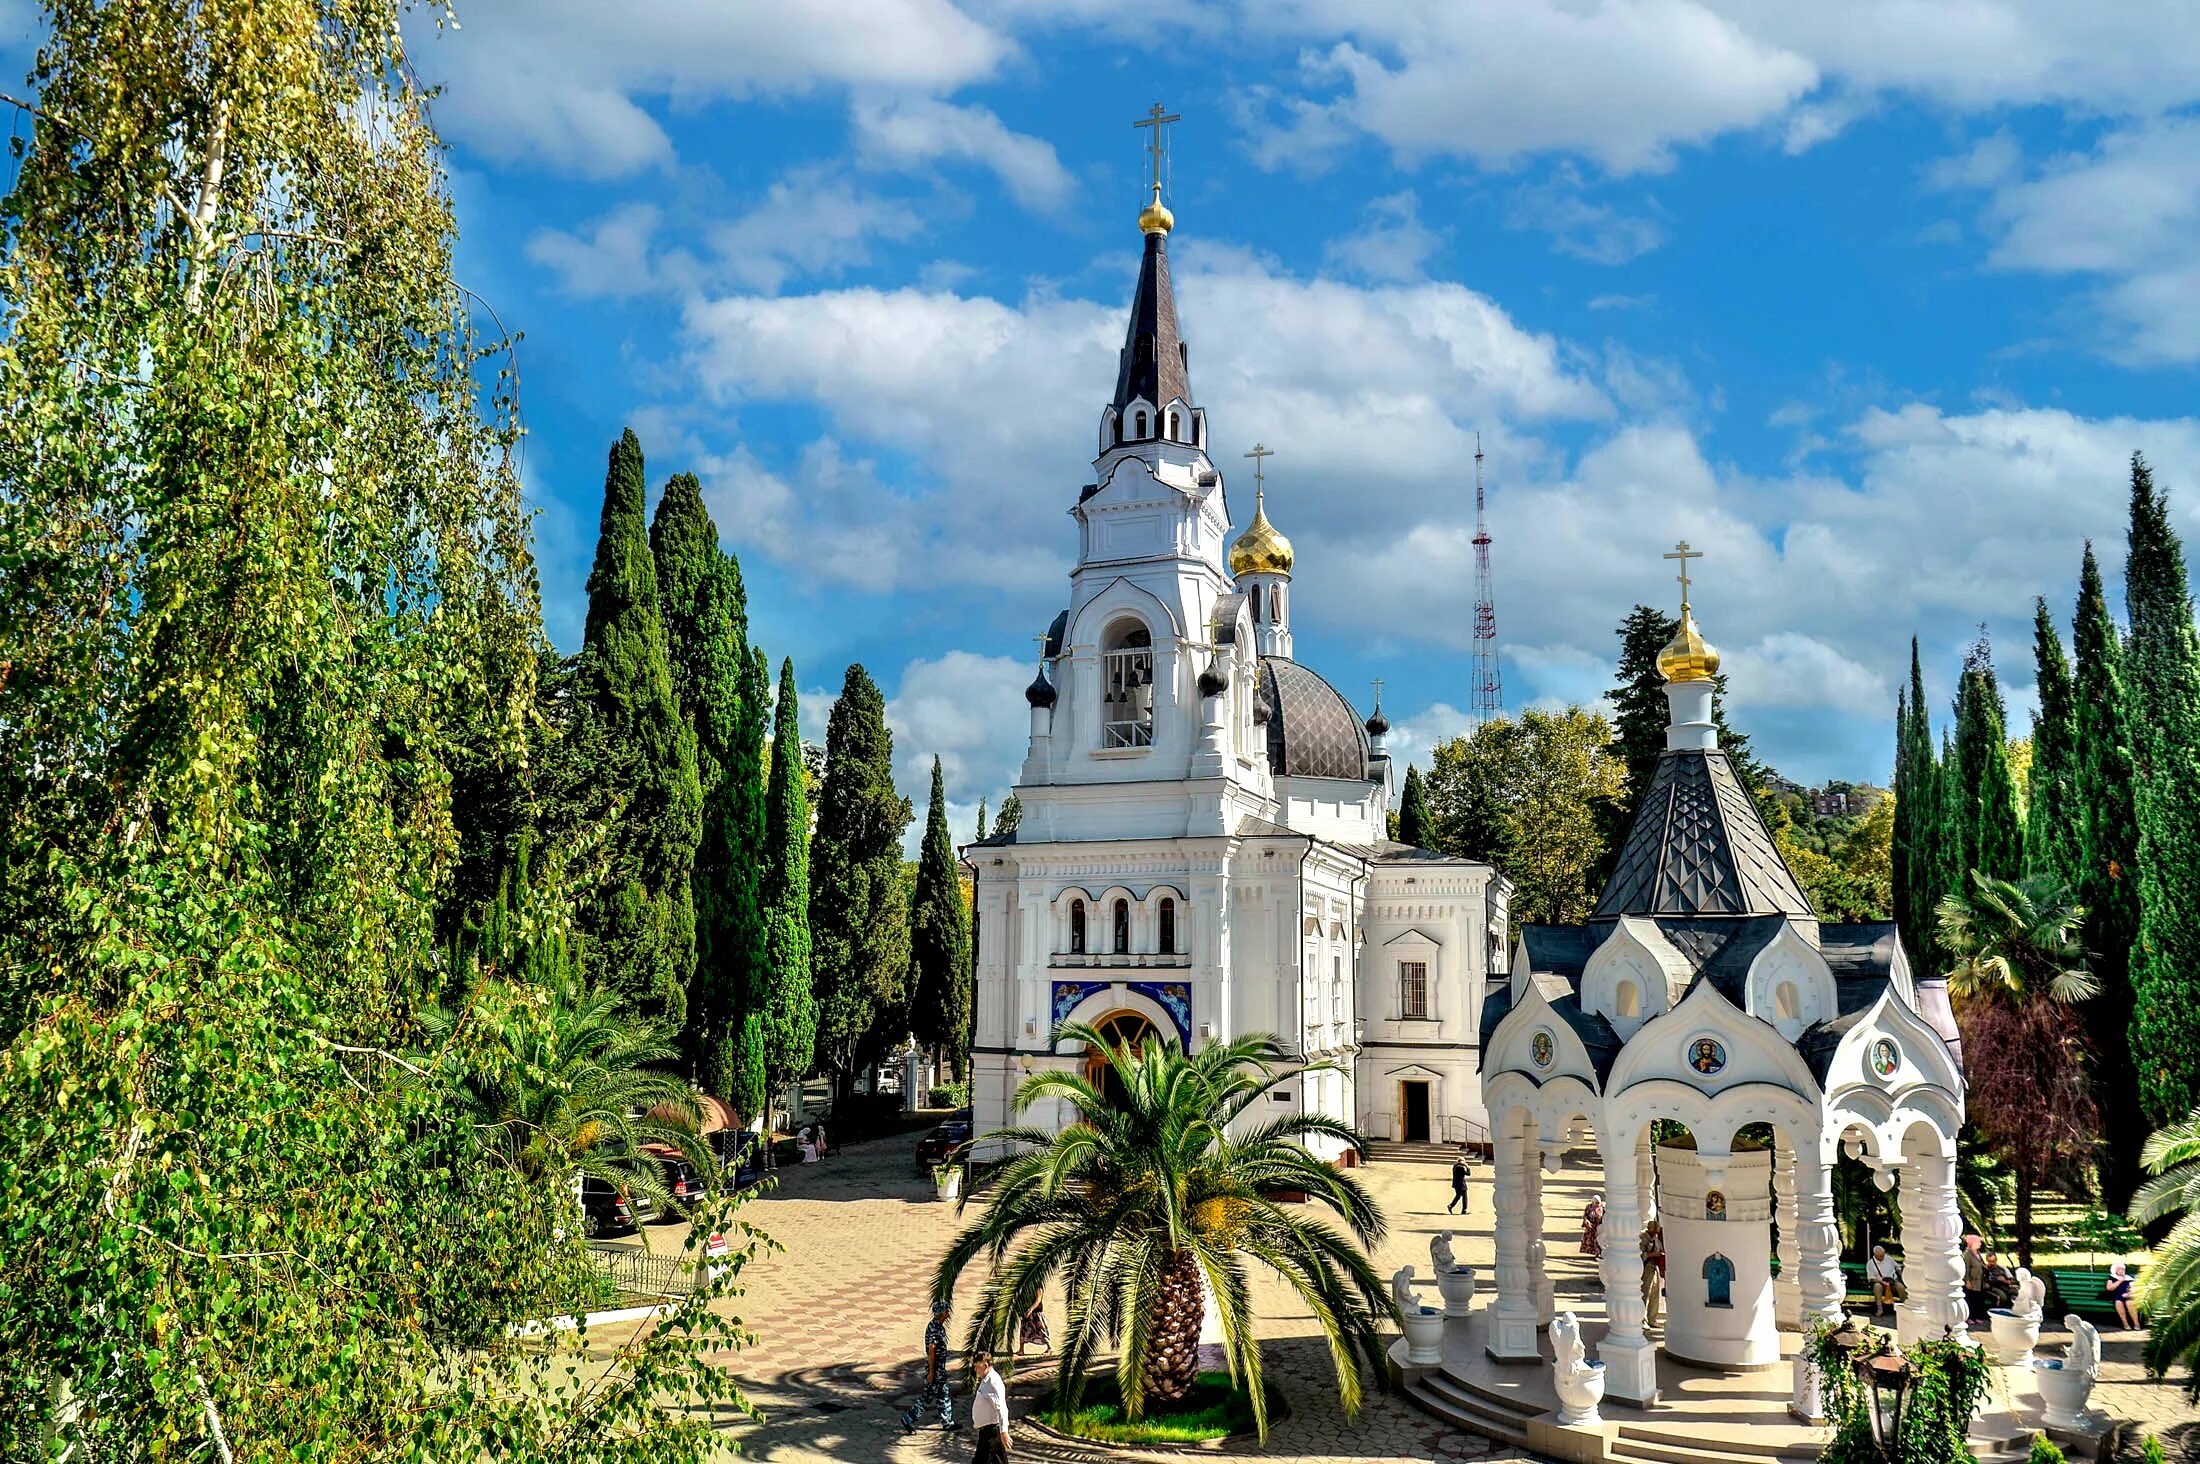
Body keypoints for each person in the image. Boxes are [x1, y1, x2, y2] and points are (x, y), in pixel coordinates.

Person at [902, 1299, 956, 1433]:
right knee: (927, 1397)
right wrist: (931, 1372)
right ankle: (908, 1419)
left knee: (943, 1394)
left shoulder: (937, 1326)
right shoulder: (935, 1328)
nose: (948, 1313)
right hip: (936, 1369)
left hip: (938, 1369)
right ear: (941, 1313)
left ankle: (947, 1422)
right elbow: (932, 1350)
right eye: (946, 1311)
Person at [970, 1350, 1012, 1462]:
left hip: (991, 1432)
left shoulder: (993, 1382)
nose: (975, 1370)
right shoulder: (986, 1380)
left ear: (985, 1365)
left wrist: (1004, 1432)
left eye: (977, 1366)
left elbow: (1002, 1408)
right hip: (987, 1432)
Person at [1640, 1220, 1665, 1329]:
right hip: (1646, 1268)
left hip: (1655, 1268)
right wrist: (1651, 1254)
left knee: (1655, 1294)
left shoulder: (1656, 1239)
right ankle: (1642, 1319)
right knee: (1645, 1293)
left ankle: (1652, 1319)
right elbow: (1640, 1254)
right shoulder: (1643, 1238)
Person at [1866, 1245, 1901, 1318]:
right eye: (1880, 1256)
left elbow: (1897, 1266)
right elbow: (1871, 1278)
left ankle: (1906, 1306)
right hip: (1880, 1283)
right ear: (1875, 1255)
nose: (1882, 1257)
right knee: (1877, 1287)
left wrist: (1899, 1270)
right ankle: (1880, 1309)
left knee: (1900, 1287)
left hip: (1892, 1282)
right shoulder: (1871, 1263)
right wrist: (1882, 1282)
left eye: (1883, 1255)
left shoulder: (1888, 1258)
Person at [2107, 1262, 2140, 1330]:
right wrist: (2119, 1281)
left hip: (2128, 1295)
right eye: (2119, 1269)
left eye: (2123, 1269)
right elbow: (2109, 1288)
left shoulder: (2129, 1277)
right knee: (2119, 1302)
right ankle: (2125, 1323)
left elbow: (2134, 1288)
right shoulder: (2112, 1277)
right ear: (2115, 1270)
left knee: (2130, 1303)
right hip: (2117, 1295)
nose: (2121, 1270)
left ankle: (2136, 1324)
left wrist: (2129, 1293)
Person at [1962, 1233, 1986, 1326]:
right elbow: (1966, 1268)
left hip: (1979, 1281)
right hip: (1971, 1281)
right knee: (1971, 1300)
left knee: (1977, 1299)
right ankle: (1970, 1317)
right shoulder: (1967, 1254)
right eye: (1978, 1242)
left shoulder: (1977, 1253)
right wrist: (1967, 1281)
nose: (1980, 1243)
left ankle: (1977, 1316)